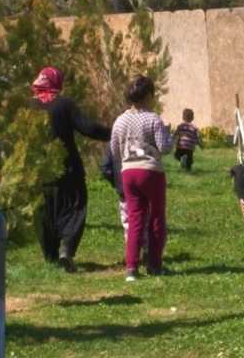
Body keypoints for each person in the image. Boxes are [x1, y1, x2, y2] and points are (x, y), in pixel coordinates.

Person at [31, 66, 111, 272]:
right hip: (68, 168)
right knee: (75, 206)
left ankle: (50, 256)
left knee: (44, 212)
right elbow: (88, 128)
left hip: (37, 171)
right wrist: (114, 132)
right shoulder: (64, 104)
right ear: (57, 82)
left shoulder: (28, 106)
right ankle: (66, 249)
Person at [110, 76, 172, 282]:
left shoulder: (120, 120)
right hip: (150, 171)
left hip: (128, 172)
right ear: (148, 96)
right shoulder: (153, 119)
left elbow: (114, 150)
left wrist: (125, 162)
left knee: (135, 218)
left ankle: (131, 268)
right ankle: (154, 264)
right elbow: (164, 148)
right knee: (156, 217)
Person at [100, 146, 148, 257]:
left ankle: (131, 251)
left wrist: (116, 182)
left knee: (128, 222)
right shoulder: (141, 143)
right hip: (142, 187)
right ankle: (147, 249)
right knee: (144, 219)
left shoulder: (113, 145)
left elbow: (105, 168)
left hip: (123, 190)